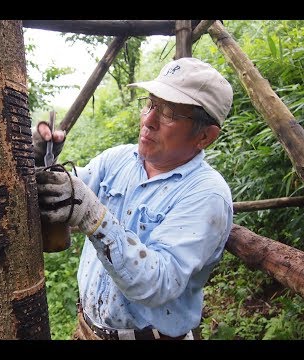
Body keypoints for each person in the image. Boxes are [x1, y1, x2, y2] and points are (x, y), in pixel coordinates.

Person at [32, 57, 234, 340]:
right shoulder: (119, 159)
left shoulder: (206, 194)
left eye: (169, 114)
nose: (148, 120)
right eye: (151, 104)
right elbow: (64, 191)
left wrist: (90, 213)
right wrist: (39, 159)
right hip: (87, 330)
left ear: (205, 136)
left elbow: (159, 283)